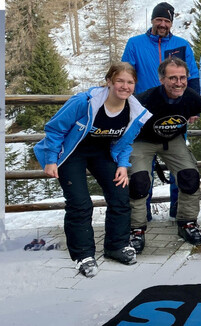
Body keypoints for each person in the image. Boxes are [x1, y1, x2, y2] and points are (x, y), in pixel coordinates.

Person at [33, 63, 152, 277]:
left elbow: (125, 142)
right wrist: (51, 159)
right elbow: (55, 128)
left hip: (102, 153)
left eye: (130, 82)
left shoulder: (134, 111)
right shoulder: (84, 102)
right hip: (71, 153)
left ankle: (116, 246)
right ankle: (83, 255)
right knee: (80, 204)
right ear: (109, 81)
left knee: (119, 194)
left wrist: (123, 166)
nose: (124, 86)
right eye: (119, 81)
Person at [122, 2, 199, 221]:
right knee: (142, 172)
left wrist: (191, 107)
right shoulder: (135, 43)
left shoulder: (181, 44)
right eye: (159, 20)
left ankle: (178, 210)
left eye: (167, 21)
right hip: (142, 115)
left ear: (171, 23)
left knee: (181, 168)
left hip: (174, 115)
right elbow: (127, 73)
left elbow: (192, 76)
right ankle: (143, 214)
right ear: (152, 20)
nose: (162, 24)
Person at [128, 58, 201, 251]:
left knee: (189, 175)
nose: (178, 83)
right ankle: (135, 229)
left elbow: (197, 108)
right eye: (173, 78)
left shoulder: (193, 99)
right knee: (139, 180)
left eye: (182, 78)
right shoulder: (144, 100)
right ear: (162, 79)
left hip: (172, 139)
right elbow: (127, 125)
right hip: (142, 140)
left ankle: (187, 222)